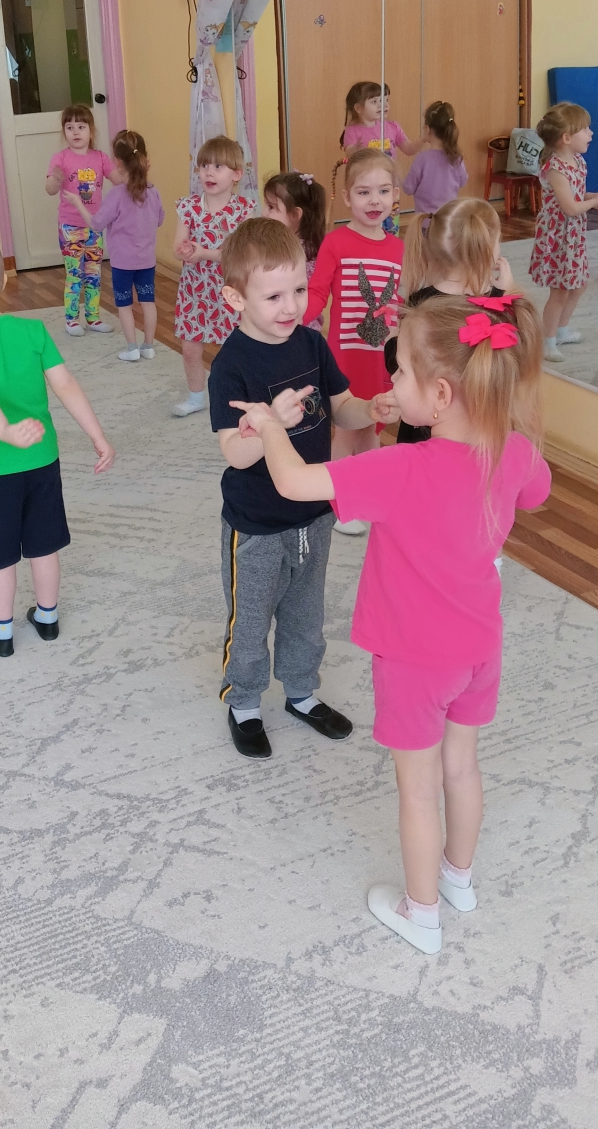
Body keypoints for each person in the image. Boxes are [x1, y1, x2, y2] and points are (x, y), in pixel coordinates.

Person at [234, 291, 550, 953]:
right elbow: (538, 490)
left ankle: (421, 913)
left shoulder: (402, 467)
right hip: (480, 649)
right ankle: (458, 880)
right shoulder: (514, 451)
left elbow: (295, 483)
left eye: (400, 370)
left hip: (414, 659)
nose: (392, 380)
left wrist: (268, 426)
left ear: (440, 396)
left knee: (417, 791)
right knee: (461, 768)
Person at [208, 217, 382, 760]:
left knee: (307, 613)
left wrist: (372, 408)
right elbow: (233, 452)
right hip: (256, 523)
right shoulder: (231, 366)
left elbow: (342, 407)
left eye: (300, 291)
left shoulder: (310, 343)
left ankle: (302, 693)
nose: (291, 307)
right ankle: (244, 703)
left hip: (314, 511)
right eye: (274, 296)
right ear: (235, 298)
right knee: (251, 618)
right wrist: (269, 426)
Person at [0, 233, 115, 657]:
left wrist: (3, 430)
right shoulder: (34, 331)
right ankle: (47, 618)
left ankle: (1, 633)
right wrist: (97, 435)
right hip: (41, 459)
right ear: (3, 281)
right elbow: (66, 385)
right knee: (43, 543)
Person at [303, 150, 403, 535]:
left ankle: (369, 498)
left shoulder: (399, 249)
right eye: (363, 192)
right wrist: (292, 318)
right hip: (344, 359)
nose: (374, 200)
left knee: (374, 425)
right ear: (347, 198)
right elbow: (317, 292)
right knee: (346, 429)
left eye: (383, 191)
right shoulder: (336, 242)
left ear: (396, 194)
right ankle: (340, 506)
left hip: (382, 360)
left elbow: (402, 304)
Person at [385, 197, 513, 444]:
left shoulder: (420, 301)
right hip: (474, 428)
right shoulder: (493, 306)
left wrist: (392, 337)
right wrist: (502, 295)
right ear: (487, 250)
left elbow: (397, 364)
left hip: (424, 423)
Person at [62, 129, 165, 362]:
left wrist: (77, 202)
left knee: (125, 305)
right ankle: (148, 346)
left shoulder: (117, 195)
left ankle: (132, 348)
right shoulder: (153, 192)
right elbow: (159, 219)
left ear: (117, 162)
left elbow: (96, 224)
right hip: (147, 261)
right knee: (148, 302)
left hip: (122, 264)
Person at [172, 136, 255, 417]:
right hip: (194, 291)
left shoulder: (243, 210)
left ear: (236, 174)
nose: (209, 172)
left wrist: (203, 253)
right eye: (204, 166)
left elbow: (238, 252)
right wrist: (184, 250)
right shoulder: (188, 207)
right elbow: (177, 246)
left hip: (229, 291)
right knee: (190, 348)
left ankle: (241, 396)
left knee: (233, 349)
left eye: (218, 166)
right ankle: (196, 396)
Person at [45, 104, 123, 337]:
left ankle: (93, 317)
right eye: (70, 127)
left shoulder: (100, 158)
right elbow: (50, 189)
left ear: (91, 130)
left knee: (93, 273)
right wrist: (55, 180)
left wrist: (134, 169)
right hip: (69, 227)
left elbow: (119, 180)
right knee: (74, 274)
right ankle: (71, 319)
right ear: (64, 131)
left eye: (81, 127)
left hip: (94, 226)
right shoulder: (60, 158)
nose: (75, 132)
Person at [529, 102, 597, 362]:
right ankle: (547, 342)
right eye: (585, 129)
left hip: (573, 235)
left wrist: (589, 197)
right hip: (558, 238)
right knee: (560, 291)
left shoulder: (578, 161)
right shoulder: (556, 168)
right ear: (567, 138)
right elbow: (570, 207)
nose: (591, 133)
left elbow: (575, 195)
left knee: (578, 285)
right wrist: (593, 202)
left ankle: (561, 330)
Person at [340, 81, 421, 236]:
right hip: (366, 186)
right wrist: (356, 149)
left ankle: (389, 241)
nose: (383, 105)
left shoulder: (393, 127)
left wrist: (424, 140)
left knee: (391, 220)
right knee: (368, 220)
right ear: (358, 108)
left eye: (385, 100)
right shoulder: (353, 131)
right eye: (374, 101)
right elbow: (350, 155)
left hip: (388, 184)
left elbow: (409, 149)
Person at [262, 170, 327, 332]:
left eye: (271, 207)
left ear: (295, 215)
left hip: (297, 325)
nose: (264, 213)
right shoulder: (282, 244)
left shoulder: (299, 252)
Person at [401, 101, 467, 213]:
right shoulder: (457, 159)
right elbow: (463, 181)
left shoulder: (422, 159)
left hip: (425, 219)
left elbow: (408, 188)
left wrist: (399, 175)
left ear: (427, 129)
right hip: (448, 218)